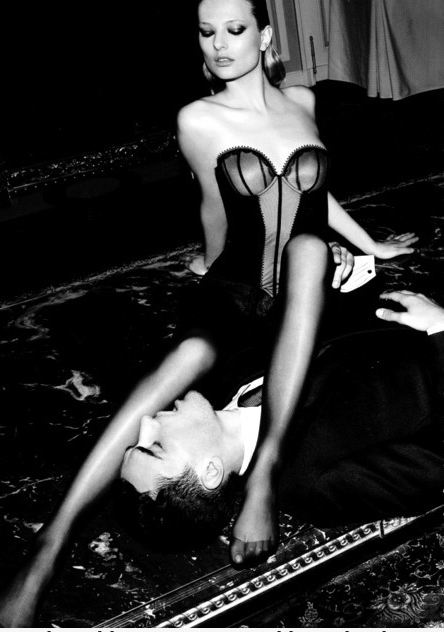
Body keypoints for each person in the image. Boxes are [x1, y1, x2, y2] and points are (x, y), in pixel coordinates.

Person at [1, 290, 443, 627]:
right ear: (210, 472)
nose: (148, 423)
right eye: (155, 446)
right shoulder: (314, 481)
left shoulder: (223, 383)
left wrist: (340, 286)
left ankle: (51, 543)